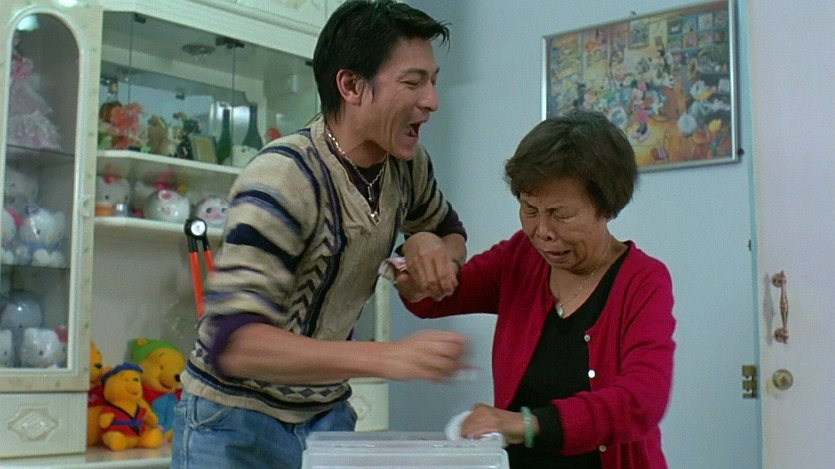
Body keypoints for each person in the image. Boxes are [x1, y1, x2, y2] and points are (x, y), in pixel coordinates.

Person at [171, 1, 469, 467]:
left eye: (433, 82)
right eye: (413, 83)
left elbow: (450, 231)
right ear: (350, 86)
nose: (432, 101)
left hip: (325, 415)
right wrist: (388, 357)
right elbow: (236, 343)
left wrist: (431, 249)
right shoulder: (284, 176)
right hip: (234, 421)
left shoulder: (408, 167)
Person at [398, 110, 676, 469]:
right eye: (529, 210)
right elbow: (436, 296)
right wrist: (417, 255)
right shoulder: (521, 257)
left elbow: (642, 400)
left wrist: (523, 424)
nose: (542, 231)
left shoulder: (643, 281)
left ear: (607, 208)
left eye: (561, 215)